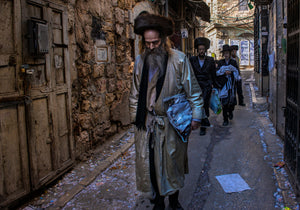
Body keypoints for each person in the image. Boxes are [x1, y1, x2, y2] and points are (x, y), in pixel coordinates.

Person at [129, 12, 204, 210]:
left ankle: (174, 200)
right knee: (151, 165)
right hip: (148, 124)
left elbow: (193, 92)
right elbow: (135, 94)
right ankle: (159, 201)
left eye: (155, 43)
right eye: (147, 43)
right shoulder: (140, 62)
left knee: (173, 164)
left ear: (163, 40)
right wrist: (135, 121)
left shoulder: (179, 60)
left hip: (172, 124)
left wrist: (196, 117)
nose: (151, 47)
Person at [189, 37, 216, 136]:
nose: (201, 51)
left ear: (205, 50)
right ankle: (203, 121)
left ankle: (203, 126)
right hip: (196, 86)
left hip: (206, 86)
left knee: (204, 104)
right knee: (198, 105)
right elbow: (190, 73)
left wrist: (215, 86)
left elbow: (213, 73)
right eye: (199, 49)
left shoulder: (210, 60)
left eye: (203, 49)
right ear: (197, 50)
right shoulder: (192, 60)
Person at [216, 44, 239, 126]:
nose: (226, 55)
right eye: (224, 53)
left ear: (229, 54)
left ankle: (231, 111)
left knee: (231, 101)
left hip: (232, 86)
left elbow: (237, 72)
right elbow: (217, 73)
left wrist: (231, 72)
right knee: (224, 103)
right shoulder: (220, 62)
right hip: (223, 85)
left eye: (227, 53)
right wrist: (224, 73)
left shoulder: (233, 62)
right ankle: (225, 119)